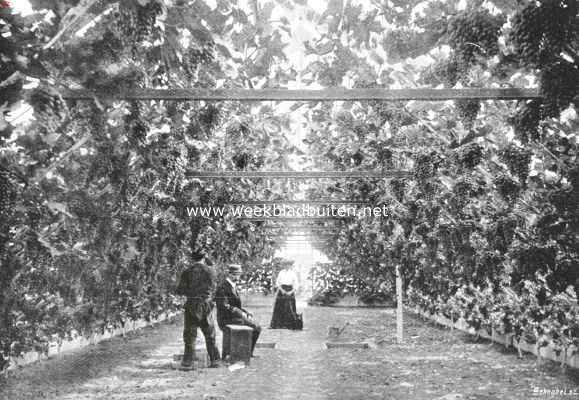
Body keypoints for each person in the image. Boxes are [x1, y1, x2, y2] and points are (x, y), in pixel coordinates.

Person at [176, 253, 221, 369]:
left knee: (190, 335)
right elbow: (215, 287)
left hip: (191, 304)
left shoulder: (187, 271)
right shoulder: (210, 271)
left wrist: (191, 292)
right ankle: (215, 360)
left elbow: (180, 290)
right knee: (210, 333)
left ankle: (187, 363)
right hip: (206, 304)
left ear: (192, 258)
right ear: (204, 257)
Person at [215, 264, 261, 358]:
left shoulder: (232, 286)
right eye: (235, 274)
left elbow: (235, 305)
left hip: (233, 317)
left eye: (238, 274)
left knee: (256, 326)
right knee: (256, 327)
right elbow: (224, 306)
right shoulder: (223, 287)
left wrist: (246, 312)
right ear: (229, 274)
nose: (237, 277)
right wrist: (241, 313)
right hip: (226, 319)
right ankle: (247, 353)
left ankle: (247, 352)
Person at [270, 265, 301, 329]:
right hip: (282, 290)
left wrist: (291, 292)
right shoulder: (281, 272)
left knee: (290, 307)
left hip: (290, 289)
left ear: (290, 266)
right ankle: (278, 325)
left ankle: (289, 325)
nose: (287, 266)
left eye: (288, 265)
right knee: (280, 307)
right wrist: (282, 290)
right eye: (285, 264)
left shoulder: (292, 273)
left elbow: (296, 284)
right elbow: (278, 283)